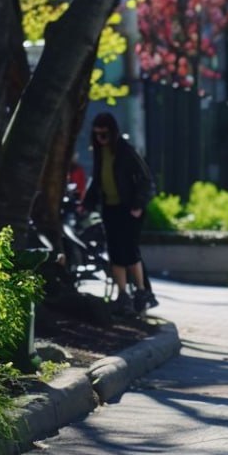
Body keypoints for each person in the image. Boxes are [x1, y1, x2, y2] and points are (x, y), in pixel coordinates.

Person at [83, 112, 159, 315]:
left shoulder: (126, 151)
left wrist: (138, 204)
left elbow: (146, 180)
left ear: (113, 132)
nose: (100, 139)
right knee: (115, 252)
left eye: (104, 134)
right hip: (110, 208)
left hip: (129, 208)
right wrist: (88, 202)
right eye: (97, 135)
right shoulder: (99, 153)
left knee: (130, 251)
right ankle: (123, 295)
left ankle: (141, 292)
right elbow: (97, 179)